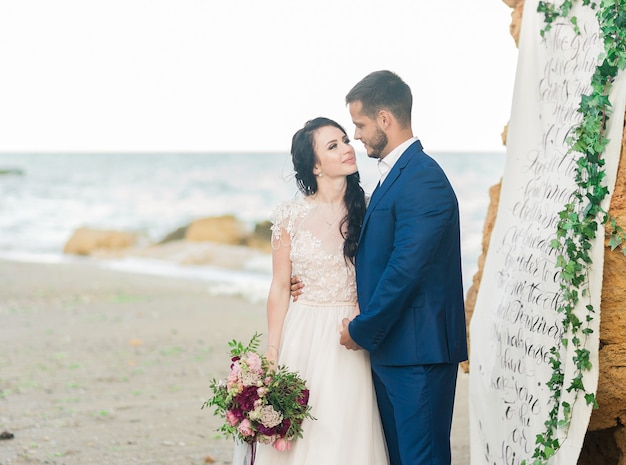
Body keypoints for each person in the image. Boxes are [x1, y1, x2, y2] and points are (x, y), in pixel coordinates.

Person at [293, 70, 468, 465]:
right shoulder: (395, 178)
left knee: (422, 458)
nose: (356, 135)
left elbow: (406, 269)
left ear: (385, 120)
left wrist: (362, 329)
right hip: (395, 351)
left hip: (419, 354)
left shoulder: (424, 180)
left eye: (360, 124)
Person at [253, 117, 389, 465]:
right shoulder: (290, 216)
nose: (347, 148)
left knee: (345, 431)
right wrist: (272, 350)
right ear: (314, 164)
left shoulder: (373, 207)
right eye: (334, 145)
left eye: (346, 140)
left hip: (352, 332)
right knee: (303, 434)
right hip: (303, 333)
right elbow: (281, 286)